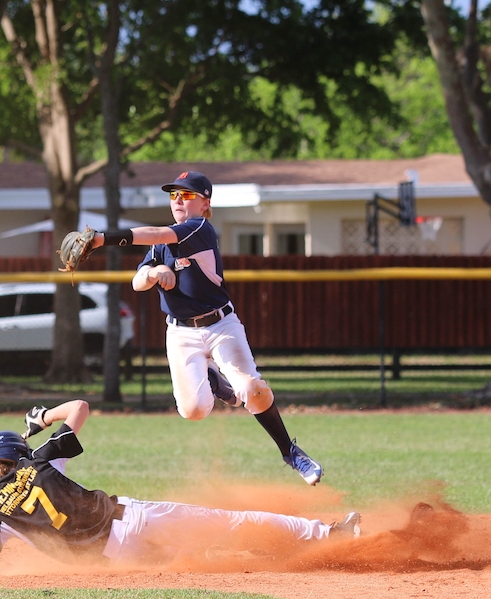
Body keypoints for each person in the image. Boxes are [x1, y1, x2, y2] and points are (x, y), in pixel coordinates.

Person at [0, 400, 360, 572]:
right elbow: (79, 406)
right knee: (226, 524)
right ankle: (326, 537)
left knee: (205, 556)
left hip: (115, 560)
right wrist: (40, 420)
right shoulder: (38, 460)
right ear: (16, 453)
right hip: (131, 518)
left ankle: (291, 554)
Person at [84, 170, 324, 486]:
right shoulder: (161, 247)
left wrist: (103, 239)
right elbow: (137, 281)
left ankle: (290, 452)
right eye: (173, 195)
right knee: (194, 410)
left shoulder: (199, 229)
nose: (178, 200)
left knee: (251, 388)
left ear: (204, 202)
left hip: (221, 324)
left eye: (186, 194)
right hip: (181, 333)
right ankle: (213, 380)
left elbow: (156, 234)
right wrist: (155, 271)